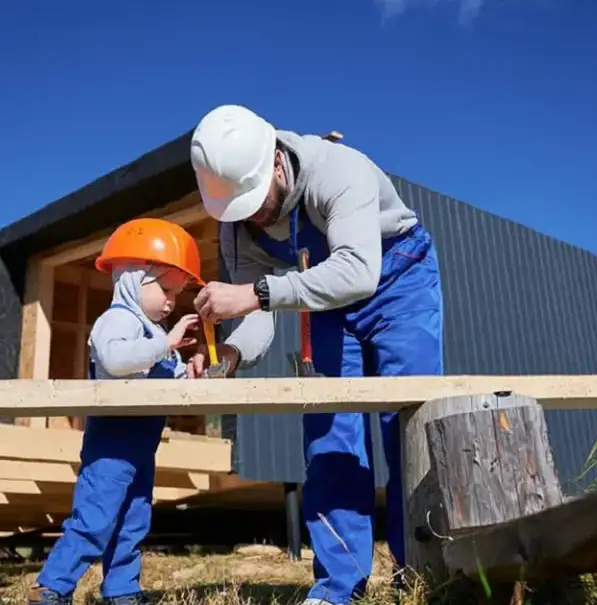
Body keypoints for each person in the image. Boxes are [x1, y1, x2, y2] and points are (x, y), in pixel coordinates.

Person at [187, 104, 445, 605]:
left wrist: (259, 293)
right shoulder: (235, 222)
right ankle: (338, 585)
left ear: (276, 164)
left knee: (408, 422)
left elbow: (357, 272)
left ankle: (422, 574)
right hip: (324, 295)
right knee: (329, 432)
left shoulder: (338, 169)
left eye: (255, 202)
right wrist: (232, 354)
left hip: (397, 277)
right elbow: (256, 308)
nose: (253, 218)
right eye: (237, 210)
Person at [31, 218, 205, 605]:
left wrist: (189, 370)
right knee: (95, 518)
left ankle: (122, 590)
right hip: (111, 444)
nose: (171, 301)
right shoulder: (117, 321)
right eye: (165, 289)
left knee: (133, 520)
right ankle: (53, 587)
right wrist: (167, 344)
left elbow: (169, 379)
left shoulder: (159, 336)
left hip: (142, 447)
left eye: (177, 294)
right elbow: (115, 359)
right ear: (131, 279)